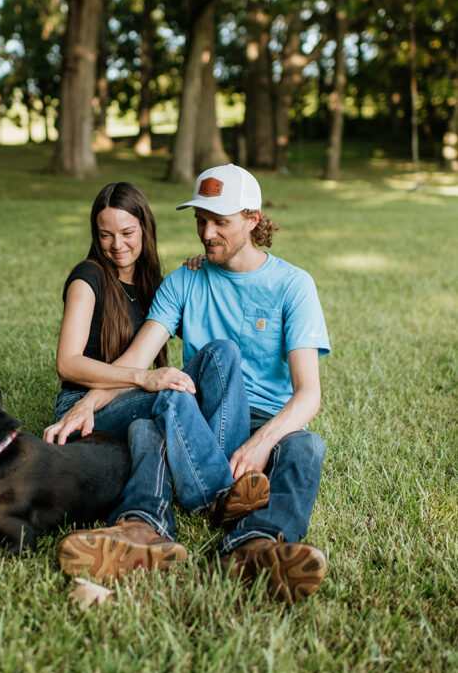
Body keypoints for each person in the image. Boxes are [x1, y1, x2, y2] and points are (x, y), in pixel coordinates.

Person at [55, 164, 331, 604]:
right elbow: (136, 364)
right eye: (201, 219)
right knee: (155, 413)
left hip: (261, 415)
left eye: (220, 222)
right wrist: (87, 403)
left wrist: (262, 441)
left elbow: (308, 394)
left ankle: (254, 546)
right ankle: (146, 526)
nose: (207, 232)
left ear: (252, 219)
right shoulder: (184, 280)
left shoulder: (294, 286)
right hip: (203, 410)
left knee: (306, 446)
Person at [44, 180, 268, 573]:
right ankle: (220, 493)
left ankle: (156, 521)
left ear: (146, 229)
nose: (117, 245)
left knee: (219, 357)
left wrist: (202, 268)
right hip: (87, 404)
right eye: (106, 235)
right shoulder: (88, 277)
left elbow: (202, 316)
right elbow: (68, 363)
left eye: (128, 233)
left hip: (132, 402)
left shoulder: (152, 284)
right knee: (172, 395)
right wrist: (144, 378)